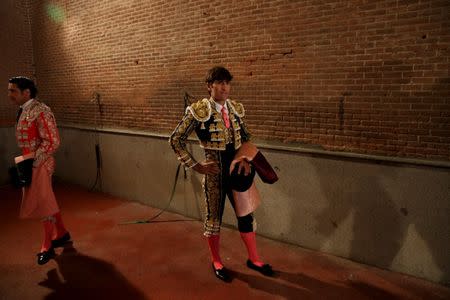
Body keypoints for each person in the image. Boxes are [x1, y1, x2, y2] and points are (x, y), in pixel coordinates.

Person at [170, 66, 273, 282]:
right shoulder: (198, 111)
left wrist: (245, 157)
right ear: (210, 86)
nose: (225, 87)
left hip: (237, 173)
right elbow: (175, 139)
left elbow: (246, 137)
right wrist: (196, 165)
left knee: (246, 216)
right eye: (220, 83)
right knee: (213, 220)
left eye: (228, 83)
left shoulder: (235, 109)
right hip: (215, 175)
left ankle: (254, 259)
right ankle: (216, 261)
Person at [8, 76, 71, 265]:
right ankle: (61, 233)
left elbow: (53, 141)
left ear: (26, 92)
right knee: (46, 200)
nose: (9, 95)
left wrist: (34, 163)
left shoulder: (41, 110)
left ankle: (47, 245)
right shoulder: (24, 110)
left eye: (13, 91)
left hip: (40, 162)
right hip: (29, 161)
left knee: (43, 204)